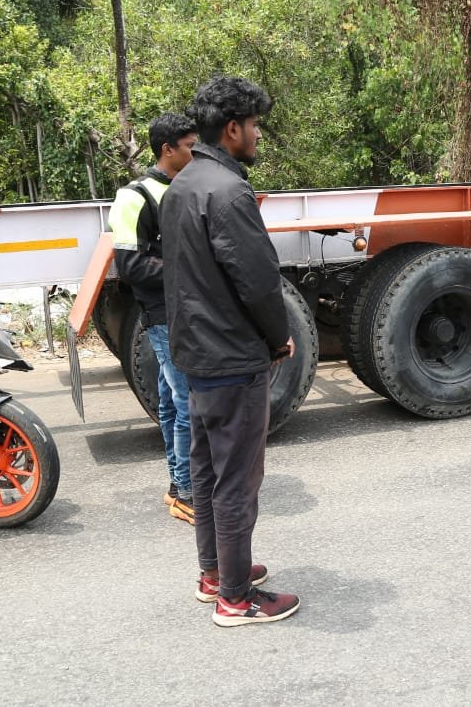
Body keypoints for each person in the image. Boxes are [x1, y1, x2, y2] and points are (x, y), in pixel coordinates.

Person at [161, 76, 300, 626]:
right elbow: (259, 281)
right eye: (255, 126)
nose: (259, 136)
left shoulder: (181, 184)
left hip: (194, 354)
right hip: (232, 356)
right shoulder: (229, 191)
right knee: (237, 480)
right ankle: (237, 599)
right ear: (233, 128)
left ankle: (215, 574)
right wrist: (278, 336)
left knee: (208, 471)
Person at [107, 113, 198, 524]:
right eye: (190, 146)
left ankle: (177, 483)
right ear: (168, 149)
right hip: (163, 314)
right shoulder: (135, 196)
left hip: (185, 311)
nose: (195, 153)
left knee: (170, 399)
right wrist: (191, 270)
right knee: (186, 403)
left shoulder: (183, 188)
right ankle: (187, 492)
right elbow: (129, 264)